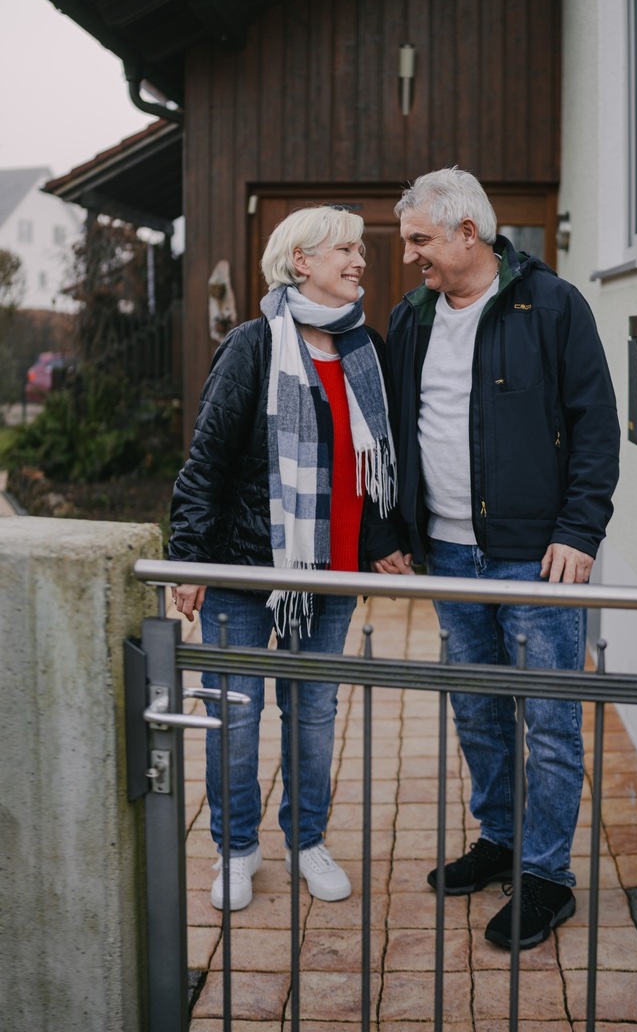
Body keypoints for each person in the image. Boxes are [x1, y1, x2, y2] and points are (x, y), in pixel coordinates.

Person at [385, 168, 619, 950]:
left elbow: (595, 424)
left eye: (419, 239)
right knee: (479, 710)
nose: (410, 255)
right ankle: (502, 839)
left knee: (549, 721)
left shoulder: (551, 305)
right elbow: (392, 431)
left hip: (536, 557)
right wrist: (394, 531)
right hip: (449, 554)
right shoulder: (412, 317)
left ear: (468, 232)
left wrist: (579, 531)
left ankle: (547, 876)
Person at [169, 205, 412, 911]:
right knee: (236, 718)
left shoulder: (366, 349)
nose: (360, 260)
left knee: (312, 717)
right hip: (245, 569)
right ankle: (236, 848)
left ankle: (307, 841)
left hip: (331, 572)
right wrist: (189, 559)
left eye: (360, 249)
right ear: (300, 261)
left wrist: (382, 541)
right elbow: (207, 460)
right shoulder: (252, 345)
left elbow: (370, 467)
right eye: (345, 249)